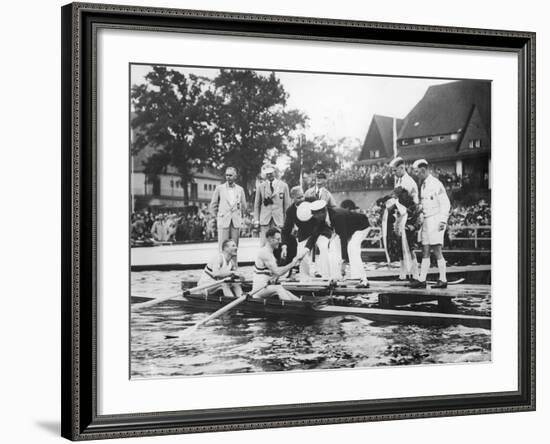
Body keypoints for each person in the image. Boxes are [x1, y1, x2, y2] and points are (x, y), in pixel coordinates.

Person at [409, 159, 451, 289]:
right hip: (426, 220)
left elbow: (445, 204)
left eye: (417, 172)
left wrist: (443, 220)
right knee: (425, 249)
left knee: (437, 250)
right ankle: (422, 279)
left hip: (436, 219)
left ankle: (443, 279)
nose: (416, 174)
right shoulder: (423, 185)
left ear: (423, 170)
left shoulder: (436, 183)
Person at [251, 227, 304, 301]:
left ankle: (300, 303)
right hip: (259, 290)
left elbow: (278, 274)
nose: (280, 242)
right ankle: (293, 308)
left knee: (285, 291)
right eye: (278, 239)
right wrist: (292, 263)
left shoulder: (271, 253)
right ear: (270, 239)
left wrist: (295, 262)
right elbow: (278, 271)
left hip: (267, 287)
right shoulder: (264, 252)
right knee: (278, 288)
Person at [280, 186, 318, 279]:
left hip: (318, 231)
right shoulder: (290, 211)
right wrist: (284, 246)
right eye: (299, 197)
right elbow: (286, 230)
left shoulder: (312, 201)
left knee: (324, 247)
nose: (302, 199)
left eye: (302, 196)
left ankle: (324, 274)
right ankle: (306, 277)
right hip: (304, 234)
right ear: (292, 198)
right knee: (301, 253)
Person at [209, 167, 247, 260]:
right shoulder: (219, 188)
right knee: (223, 246)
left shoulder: (240, 189)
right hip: (223, 221)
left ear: (235, 176)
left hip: (235, 221)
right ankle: (222, 266)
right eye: (226, 175)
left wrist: (241, 217)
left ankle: (234, 268)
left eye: (230, 175)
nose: (228, 177)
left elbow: (244, 206)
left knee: (234, 246)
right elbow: (213, 205)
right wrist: (216, 217)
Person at [253, 165, 291, 246]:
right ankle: (264, 258)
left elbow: (287, 205)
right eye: (267, 173)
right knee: (265, 243)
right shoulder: (261, 186)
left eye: (271, 173)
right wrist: (256, 219)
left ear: (275, 172)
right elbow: (257, 204)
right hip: (265, 219)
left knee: (278, 243)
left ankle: (277, 258)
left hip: (278, 220)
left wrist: (287, 220)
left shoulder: (283, 186)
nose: (269, 175)